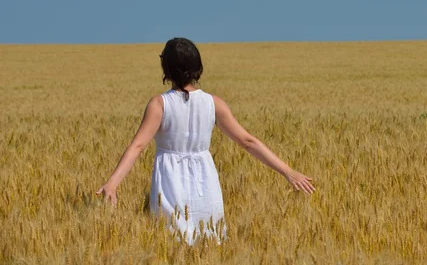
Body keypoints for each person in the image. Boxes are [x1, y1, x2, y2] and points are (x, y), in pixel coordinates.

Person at [96, 37, 316, 245]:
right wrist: (288, 171)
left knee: (171, 242)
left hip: (170, 180)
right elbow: (248, 141)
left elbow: (137, 146)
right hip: (206, 181)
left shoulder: (160, 104)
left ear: (167, 69)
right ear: (197, 67)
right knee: (210, 242)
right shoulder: (214, 103)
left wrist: (112, 183)